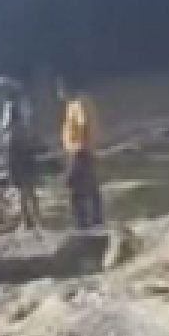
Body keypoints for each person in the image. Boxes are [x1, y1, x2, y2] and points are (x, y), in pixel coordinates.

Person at [0, 76, 42, 229]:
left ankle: (31, 220)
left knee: (24, 185)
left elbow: (16, 127)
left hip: (17, 148)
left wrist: (3, 140)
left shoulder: (15, 105)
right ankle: (29, 219)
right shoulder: (15, 104)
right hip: (16, 147)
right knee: (23, 185)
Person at [59, 78, 104, 229]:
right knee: (90, 185)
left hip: (79, 150)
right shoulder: (77, 102)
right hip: (83, 149)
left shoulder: (78, 103)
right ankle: (96, 219)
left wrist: (81, 149)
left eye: (60, 89)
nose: (59, 93)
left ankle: (83, 223)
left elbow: (83, 124)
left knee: (73, 185)